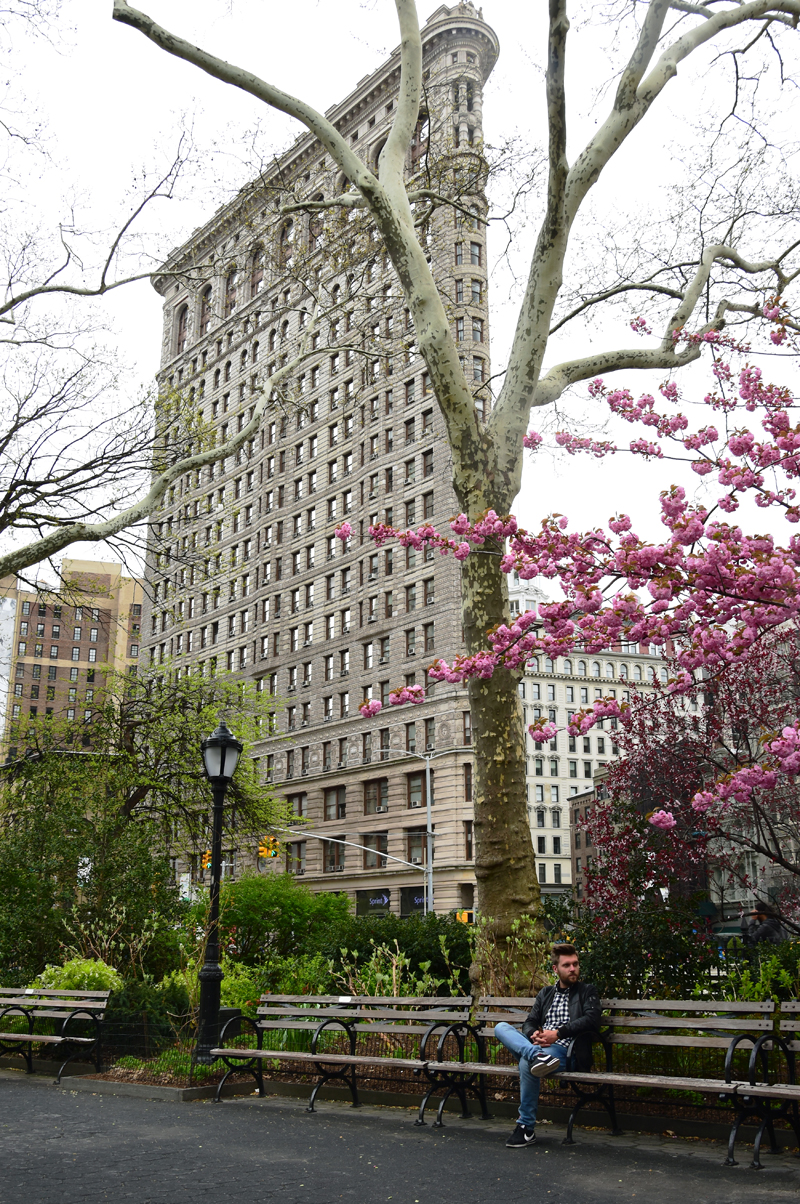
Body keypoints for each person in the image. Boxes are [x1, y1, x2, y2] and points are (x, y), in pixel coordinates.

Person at [494, 943, 602, 1148]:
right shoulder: (545, 994)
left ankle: (525, 1128)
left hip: (566, 1050)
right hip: (540, 1048)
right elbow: (530, 1021)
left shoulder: (587, 991)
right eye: (567, 965)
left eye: (575, 964)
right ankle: (535, 1055)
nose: (573, 969)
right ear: (556, 969)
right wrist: (532, 1033)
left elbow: (592, 1020)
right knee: (500, 1027)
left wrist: (557, 1034)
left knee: (527, 1065)